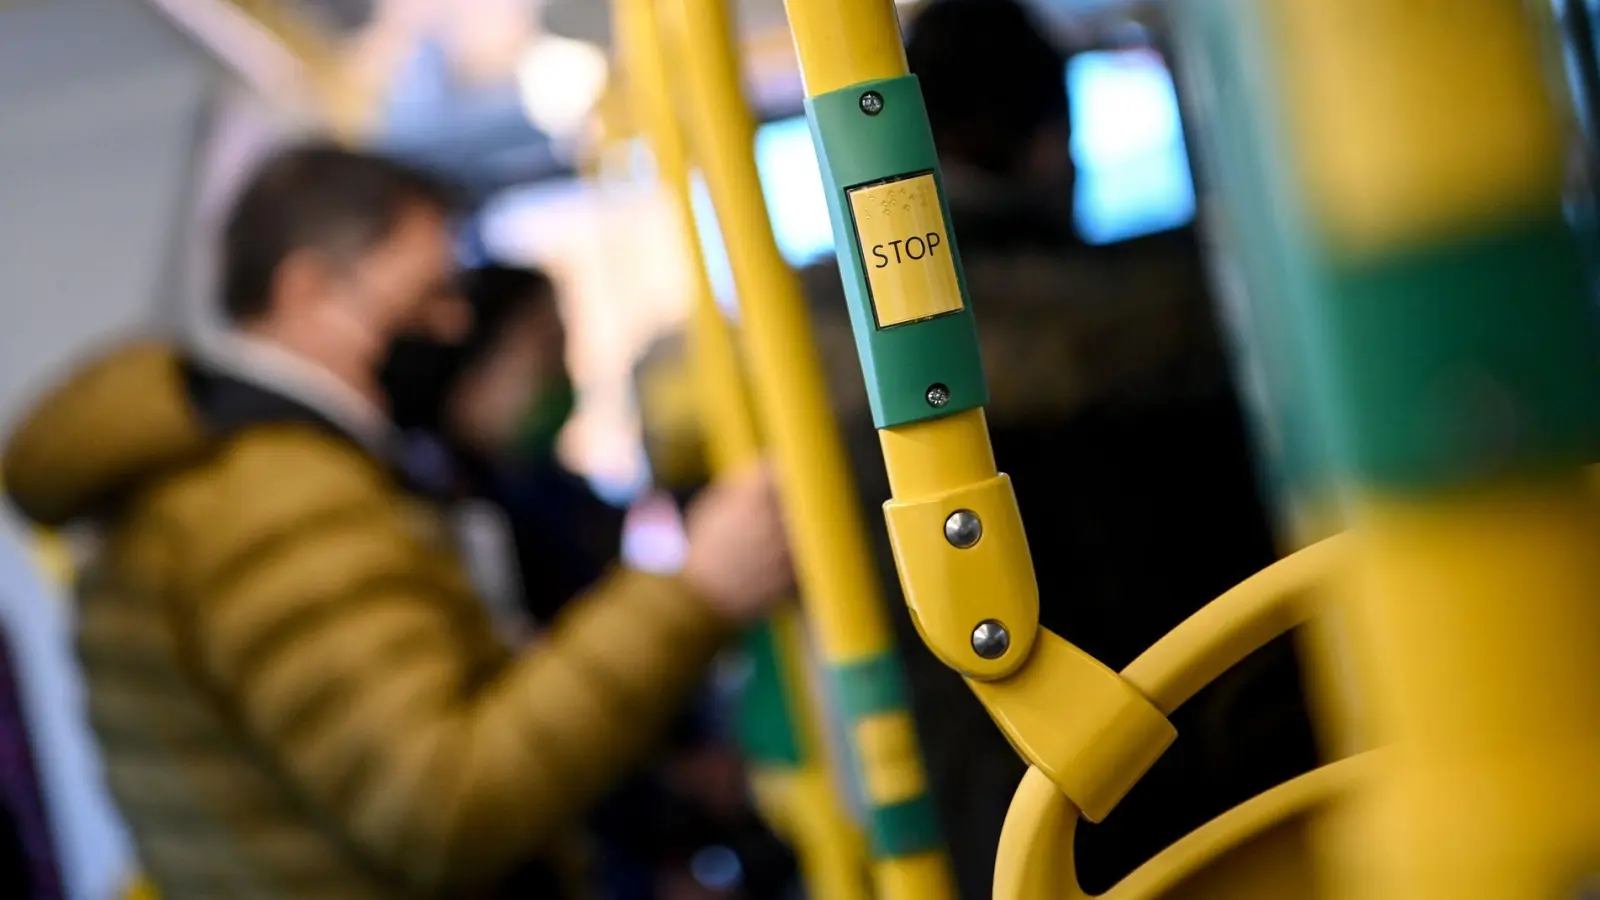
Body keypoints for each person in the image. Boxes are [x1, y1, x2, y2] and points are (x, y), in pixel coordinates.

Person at [2, 143, 794, 900]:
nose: (453, 325)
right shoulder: (273, 499)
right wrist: (695, 594)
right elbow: (442, 808)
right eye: (427, 295)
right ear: (308, 289)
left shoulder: (237, 474)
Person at [803, 1, 1317, 896]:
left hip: (992, 836)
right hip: (1237, 804)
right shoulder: (1191, 327)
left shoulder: (815, 358)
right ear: (1049, 141)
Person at [379, 262, 798, 898]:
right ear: (479, 363)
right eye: (545, 347)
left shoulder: (560, 494)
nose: (563, 371)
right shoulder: (462, 515)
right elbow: (542, 693)